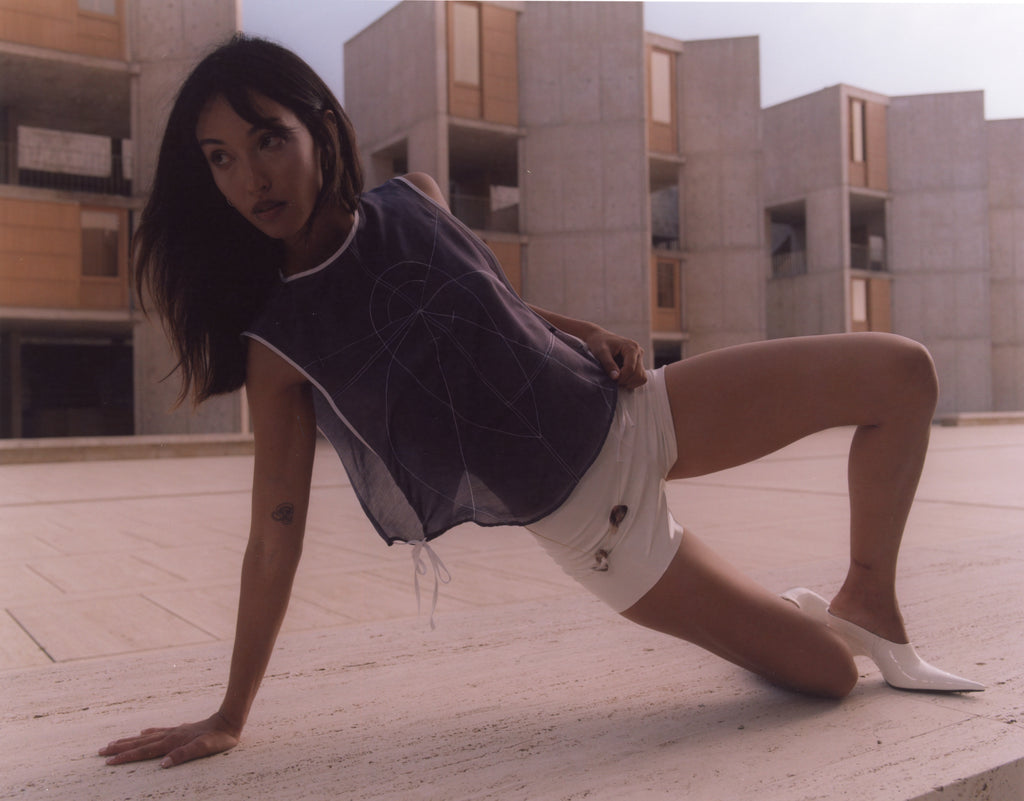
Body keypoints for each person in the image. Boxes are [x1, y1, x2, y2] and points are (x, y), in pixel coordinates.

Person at [100, 35, 982, 770]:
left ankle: (869, 593)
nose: (251, 177)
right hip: (604, 534)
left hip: (638, 409)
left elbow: (481, 300)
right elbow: (273, 532)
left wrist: (584, 329)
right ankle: (794, 619)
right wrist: (230, 711)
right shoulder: (280, 345)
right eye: (220, 159)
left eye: (267, 140)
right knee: (829, 678)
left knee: (902, 372)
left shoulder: (416, 200)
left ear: (320, 130)